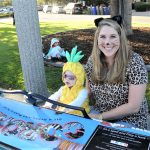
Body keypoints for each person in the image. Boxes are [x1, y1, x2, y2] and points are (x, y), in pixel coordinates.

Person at [85, 15, 149, 129]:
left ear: (120, 38)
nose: (107, 42)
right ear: (97, 39)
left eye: (113, 36)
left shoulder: (134, 61)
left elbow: (134, 107)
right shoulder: (92, 60)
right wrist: (68, 98)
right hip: (99, 113)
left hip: (131, 119)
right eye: (103, 37)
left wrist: (100, 117)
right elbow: (87, 92)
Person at [44, 46, 90, 115]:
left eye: (71, 77)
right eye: (65, 76)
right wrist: (47, 104)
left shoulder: (83, 92)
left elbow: (77, 102)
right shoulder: (63, 89)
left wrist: (65, 109)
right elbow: (54, 96)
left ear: (79, 78)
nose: (67, 79)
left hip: (78, 115)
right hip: (62, 113)